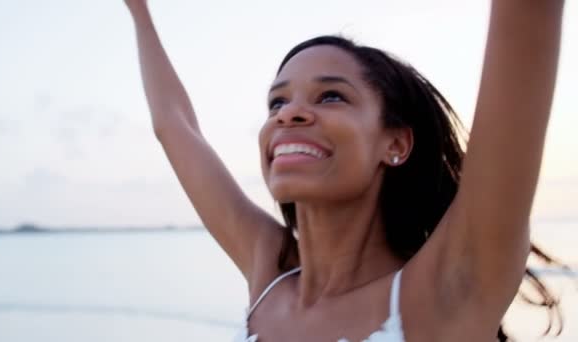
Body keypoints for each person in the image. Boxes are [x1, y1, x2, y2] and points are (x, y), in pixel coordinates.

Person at [124, 1, 566, 341]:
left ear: (395, 143)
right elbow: (175, 127)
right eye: (277, 102)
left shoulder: (445, 288)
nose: (289, 114)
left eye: (331, 96)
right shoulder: (269, 276)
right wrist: (139, 12)